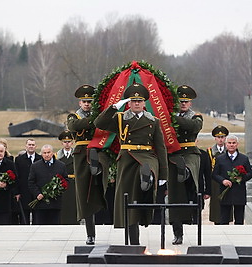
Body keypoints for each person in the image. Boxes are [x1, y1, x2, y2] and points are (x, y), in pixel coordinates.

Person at [94, 83, 168, 245]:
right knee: (128, 200)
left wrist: (163, 174)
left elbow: (161, 147)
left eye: (139, 101)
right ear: (128, 103)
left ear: (144, 103)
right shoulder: (120, 119)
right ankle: (134, 241)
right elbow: (99, 123)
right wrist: (114, 107)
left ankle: (147, 181)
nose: (136, 104)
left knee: (147, 170)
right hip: (127, 158)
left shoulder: (153, 121)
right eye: (133, 101)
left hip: (147, 156)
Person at [67, 85, 107, 245]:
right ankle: (90, 233)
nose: (87, 104)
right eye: (84, 101)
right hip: (82, 155)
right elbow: (74, 127)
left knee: (100, 189)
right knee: (85, 194)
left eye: (90, 101)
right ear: (79, 103)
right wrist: (94, 120)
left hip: (98, 151)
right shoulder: (73, 116)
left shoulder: (99, 115)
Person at [167, 85, 203, 245]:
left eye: (186, 101)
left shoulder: (196, 117)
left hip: (189, 153)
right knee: (175, 196)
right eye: (180, 101)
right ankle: (177, 232)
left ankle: (187, 173)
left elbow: (193, 127)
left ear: (190, 103)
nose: (183, 104)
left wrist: (172, 118)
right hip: (174, 155)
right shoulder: (169, 116)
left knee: (189, 169)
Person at [212, 135, 252, 225]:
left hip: (239, 192)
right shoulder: (220, 159)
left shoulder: (244, 158)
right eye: (229, 143)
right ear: (226, 144)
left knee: (239, 219)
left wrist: (241, 178)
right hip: (225, 192)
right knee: (224, 219)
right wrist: (223, 181)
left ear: (237, 144)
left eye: (234, 143)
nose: (231, 145)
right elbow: (215, 174)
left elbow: (250, 173)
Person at [28, 144, 68, 225]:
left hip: (55, 203)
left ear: (52, 153)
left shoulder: (61, 165)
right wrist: (37, 193)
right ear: (41, 154)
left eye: (48, 152)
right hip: (41, 204)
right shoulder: (35, 166)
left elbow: (66, 181)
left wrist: (58, 190)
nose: (47, 155)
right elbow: (31, 182)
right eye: (44, 153)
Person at [204, 125, 231, 224]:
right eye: (218, 137)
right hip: (214, 182)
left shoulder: (229, 150)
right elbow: (207, 170)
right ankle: (217, 221)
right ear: (215, 138)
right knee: (216, 204)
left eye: (222, 137)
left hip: (227, 179)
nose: (220, 139)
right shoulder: (210, 151)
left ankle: (226, 221)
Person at [14, 138, 42, 224]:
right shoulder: (19, 159)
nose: (31, 146)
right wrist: (17, 192)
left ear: (35, 146)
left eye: (33, 145)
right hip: (24, 191)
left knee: (37, 216)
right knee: (24, 217)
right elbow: (16, 177)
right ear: (26, 146)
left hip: (37, 192)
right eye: (29, 145)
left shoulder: (40, 159)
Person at [56, 130, 79, 225]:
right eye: (65, 142)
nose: (67, 144)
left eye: (69, 142)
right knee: (64, 205)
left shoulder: (77, 155)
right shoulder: (57, 156)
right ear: (62, 143)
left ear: (72, 143)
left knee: (73, 205)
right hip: (63, 183)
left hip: (74, 182)